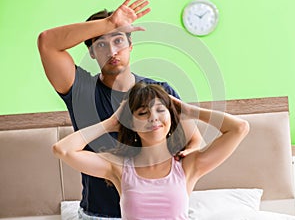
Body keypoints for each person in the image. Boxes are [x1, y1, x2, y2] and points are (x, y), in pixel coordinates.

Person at [37, 0, 202, 219]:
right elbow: (47, 43)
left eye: (118, 40)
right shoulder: (82, 90)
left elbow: (195, 141)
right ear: (92, 52)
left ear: (130, 45)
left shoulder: (160, 92)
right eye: (101, 44)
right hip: (100, 214)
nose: (112, 52)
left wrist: (179, 168)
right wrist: (109, 23)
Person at [53, 82, 250, 220]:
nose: (153, 118)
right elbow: (62, 150)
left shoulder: (188, 165)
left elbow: (240, 128)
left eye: (160, 110)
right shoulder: (119, 167)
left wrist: (189, 111)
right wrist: (111, 123)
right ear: (131, 123)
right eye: (142, 113)